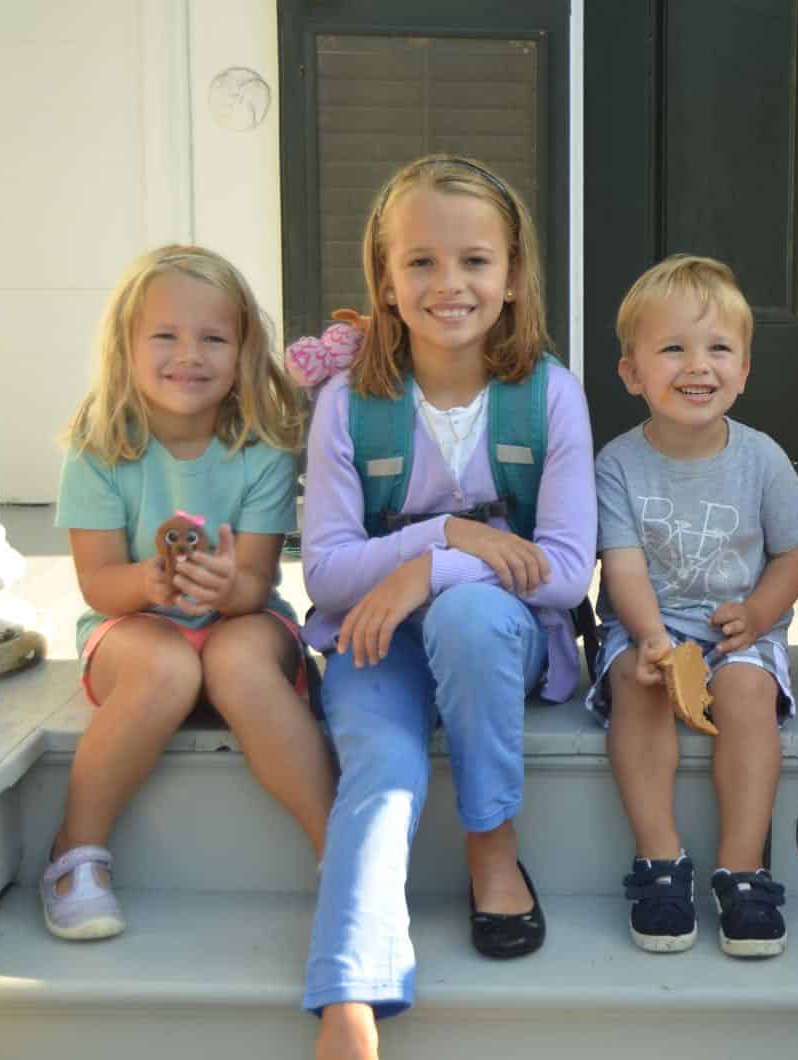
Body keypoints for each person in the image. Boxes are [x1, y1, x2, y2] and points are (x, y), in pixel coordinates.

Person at [300, 156, 594, 1059]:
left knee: (469, 620)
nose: (448, 284)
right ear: (385, 283)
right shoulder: (351, 402)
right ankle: (351, 999)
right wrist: (451, 541)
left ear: (510, 278)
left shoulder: (549, 394)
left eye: (474, 260)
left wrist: (425, 575)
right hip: (373, 642)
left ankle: (491, 848)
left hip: (501, 637)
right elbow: (327, 573)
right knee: (381, 774)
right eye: (419, 262)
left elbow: (562, 573)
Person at [46, 244, 332, 941]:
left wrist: (229, 586)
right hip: (137, 624)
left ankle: (341, 852)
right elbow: (99, 583)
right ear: (127, 346)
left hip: (242, 620)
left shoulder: (261, 450)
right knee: (168, 664)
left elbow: (261, 582)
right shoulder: (99, 449)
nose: (189, 355)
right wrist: (151, 581)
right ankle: (75, 854)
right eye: (165, 336)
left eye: (213, 338)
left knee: (235, 658)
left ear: (242, 351)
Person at [587, 254, 798, 958]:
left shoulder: (763, 459)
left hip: (737, 627)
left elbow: (796, 552)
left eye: (719, 348)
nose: (699, 366)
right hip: (646, 625)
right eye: (673, 348)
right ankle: (661, 861)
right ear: (632, 372)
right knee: (638, 685)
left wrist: (759, 610)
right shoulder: (618, 464)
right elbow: (621, 562)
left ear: (744, 370)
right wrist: (651, 637)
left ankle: (743, 869)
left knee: (747, 690)